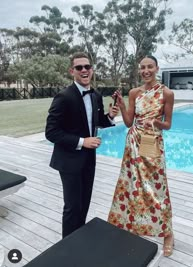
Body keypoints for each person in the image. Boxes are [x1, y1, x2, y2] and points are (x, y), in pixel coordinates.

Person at [45, 52, 119, 238]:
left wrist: (109, 116)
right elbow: (51, 132)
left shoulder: (96, 95)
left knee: (85, 203)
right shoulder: (63, 97)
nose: (84, 70)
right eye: (79, 67)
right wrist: (82, 142)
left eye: (87, 67)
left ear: (92, 70)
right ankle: (67, 249)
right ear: (72, 71)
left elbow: (95, 121)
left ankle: (79, 241)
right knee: (72, 207)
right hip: (69, 161)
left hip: (88, 160)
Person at [108, 55, 175, 257]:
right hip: (133, 144)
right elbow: (129, 122)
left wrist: (156, 123)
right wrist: (120, 104)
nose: (146, 71)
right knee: (131, 186)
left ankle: (168, 233)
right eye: (142, 67)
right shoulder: (134, 93)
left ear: (157, 68)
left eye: (150, 67)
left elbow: (168, 125)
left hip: (152, 145)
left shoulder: (166, 93)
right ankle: (131, 226)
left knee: (157, 189)